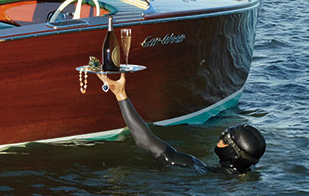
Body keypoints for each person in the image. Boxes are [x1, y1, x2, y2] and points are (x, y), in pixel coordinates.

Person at [99, 71, 266, 174]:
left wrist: (120, 94)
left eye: (225, 139)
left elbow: (145, 141)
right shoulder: (245, 175)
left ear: (232, 152)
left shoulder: (197, 168)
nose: (220, 136)